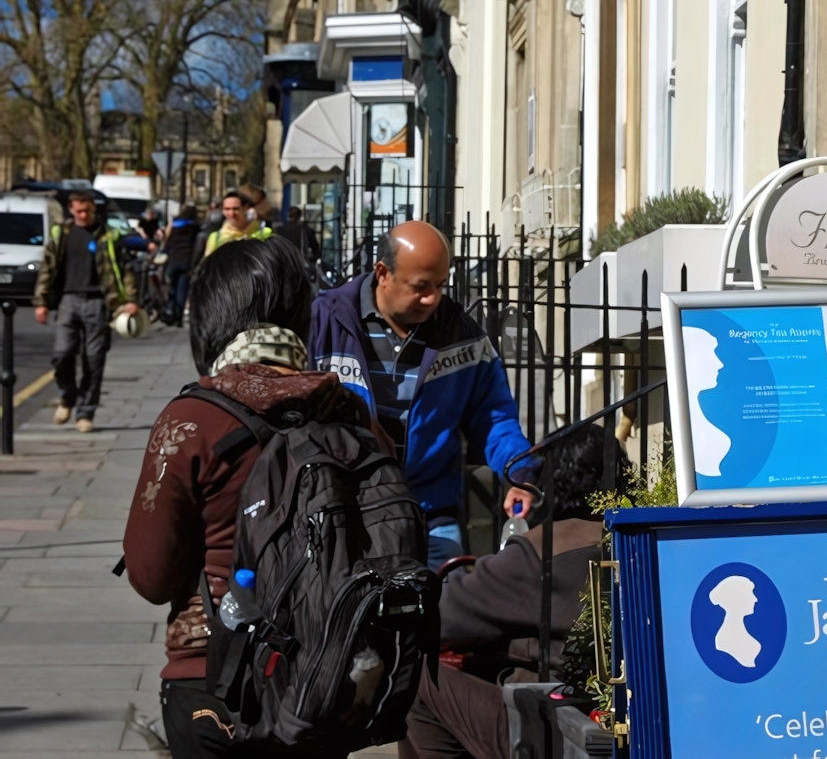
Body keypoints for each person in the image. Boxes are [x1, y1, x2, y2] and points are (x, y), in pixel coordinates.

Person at [121, 237, 367, 758]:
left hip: (213, 679)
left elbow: (150, 574)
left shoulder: (191, 421)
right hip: (325, 681)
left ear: (210, 319)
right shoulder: (351, 414)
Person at [311, 221, 535, 572]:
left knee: (445, 616)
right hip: (344, 509)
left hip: (430, 514)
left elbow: (493, 417)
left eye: (440, 285)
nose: (432, 298)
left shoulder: (462, 334)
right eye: (420, 287)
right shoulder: (323, 320)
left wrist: (519, 472)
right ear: (383, 273)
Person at [399, 425, 623, 759]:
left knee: (420, 679)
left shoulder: (545, 547)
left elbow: (444, 618)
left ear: (549, 481)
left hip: (552, 726)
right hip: (615, 716)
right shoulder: (637, 540)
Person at [32, 191, 139, 433]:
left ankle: (85, 412)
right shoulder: (62, 234)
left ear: (93, 209)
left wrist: (131, 300)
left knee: (94, 360)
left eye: (87, 210)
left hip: (99, 302)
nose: (83, 214)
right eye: (79, 210)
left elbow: (126, 269)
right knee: (62, 354)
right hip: (68, 301)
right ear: (71, 209)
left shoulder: (107, 236)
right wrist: (41, 302)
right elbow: (47, 267)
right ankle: (67, 396)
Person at [159, 205, 201, 324]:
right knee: (182, 290)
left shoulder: (176, 225)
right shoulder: (193, 226)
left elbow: (168, 242)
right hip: (186, 261)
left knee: (172, 286)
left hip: (173, 259)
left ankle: (171, 311)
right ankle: (178, 316)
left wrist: (164, 253)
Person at [203, 191, 271, 258]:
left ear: (245, 209)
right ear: (223, 211)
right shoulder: (215, 238)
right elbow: (208, 266)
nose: (231, 214)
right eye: (227, 209)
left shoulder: (264, 233)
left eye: (236, 209)